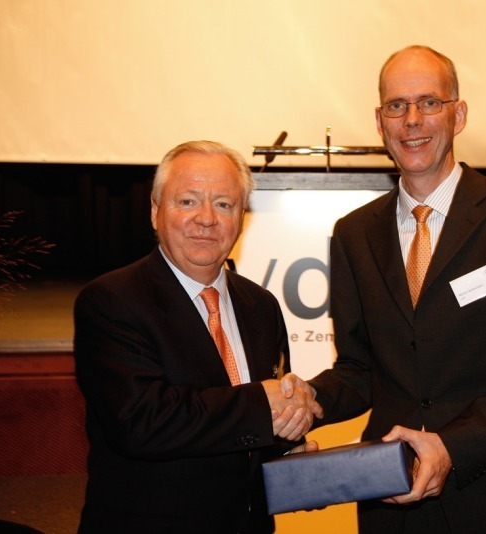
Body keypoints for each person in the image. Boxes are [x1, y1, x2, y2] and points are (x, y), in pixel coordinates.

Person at [307, 45, 486, 533]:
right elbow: (359, 369)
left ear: (459, 114)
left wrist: (451, 446)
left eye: (429, 103)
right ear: (380, 122)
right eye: (397, 106)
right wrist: (306, 402)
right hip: (393, 496)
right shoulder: (353, 234)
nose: (412, 120)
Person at [73, 140, 322, 533]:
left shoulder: (262, 306)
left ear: (241, 216)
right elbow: (143, 421)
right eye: (187, 201)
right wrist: (263, 403)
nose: (206, 218)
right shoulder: (111, 300)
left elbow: (252, 429)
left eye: (224, 204)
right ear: (155, 211)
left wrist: (289, 451)